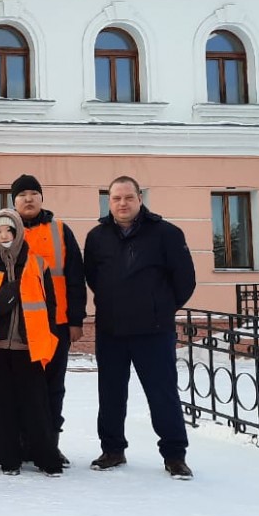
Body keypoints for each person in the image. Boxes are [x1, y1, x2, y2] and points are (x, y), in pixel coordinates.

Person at [84, 176, 196, 480]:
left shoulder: (167, 234)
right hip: (112, 330)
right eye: (117, 198)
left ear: (139, 199)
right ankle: (112, 450)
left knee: (162, 394)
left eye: (128, 197)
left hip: (154, 331)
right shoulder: (97, 237)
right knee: (110, 394)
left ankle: (174, 455)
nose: (123, 203)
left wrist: (159, 307)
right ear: (109, 201)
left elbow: (185, 280)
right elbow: (94, 279)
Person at [0, 209, 62, 477]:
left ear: (18, 231)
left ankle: (46, 457)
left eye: (9, 230)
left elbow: (50, 306)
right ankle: (8, 458)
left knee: (36, 405)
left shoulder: (37, 264)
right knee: (1, 405)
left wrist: (50, 337)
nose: (4, 235)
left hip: (28, 347)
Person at [11, 174, 85, 466]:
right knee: (21, 387)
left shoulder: (60, 231)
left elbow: (76, 277)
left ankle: (50, 443)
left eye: (33, 193)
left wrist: (76, 319)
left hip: (56, 324)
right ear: (13, 201)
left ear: (41, 198)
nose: (28, 199)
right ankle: (21, 442)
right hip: (17, 326)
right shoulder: (4, 230)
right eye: (22, 194)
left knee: (53, 387)